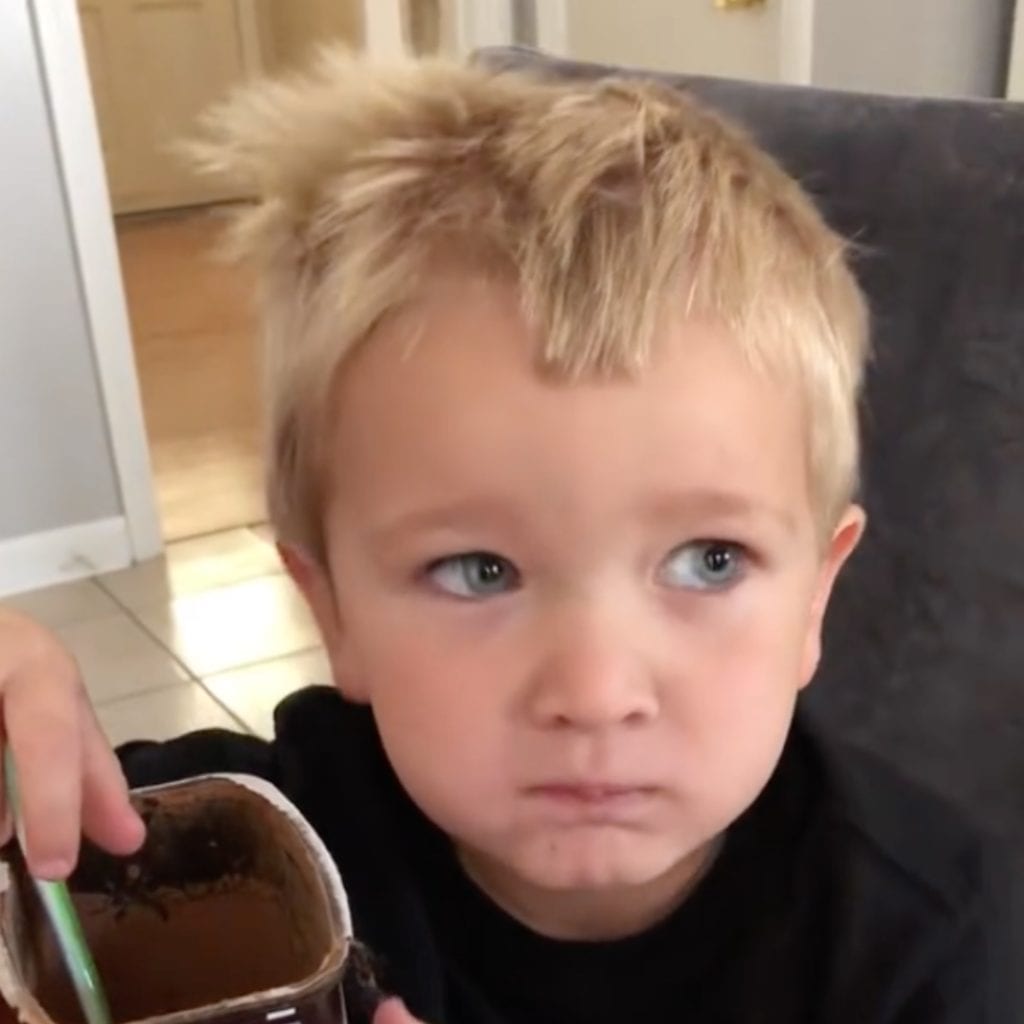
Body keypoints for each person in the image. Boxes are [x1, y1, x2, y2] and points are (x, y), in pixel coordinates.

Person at [0, 53, 1017, 1023]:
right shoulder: (234, 856)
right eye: (478, 570)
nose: (594, 692)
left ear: (813, 600)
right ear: (332, 612)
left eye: (709, 560)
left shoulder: (912, 930)